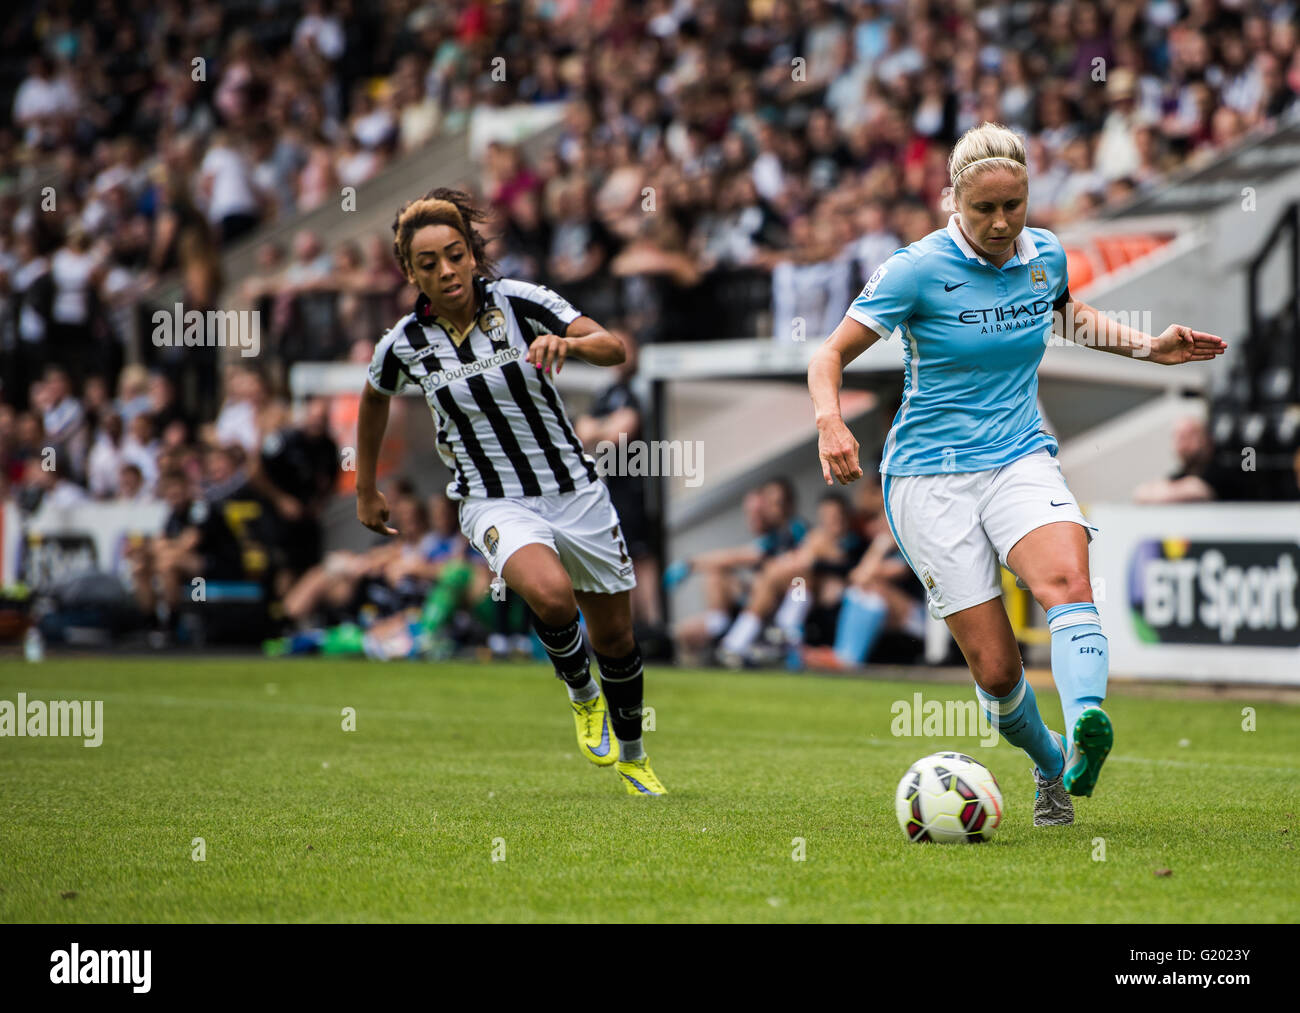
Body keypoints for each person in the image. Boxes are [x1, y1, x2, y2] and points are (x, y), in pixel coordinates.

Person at [808, 122, 1226, 828]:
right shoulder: (915, 268)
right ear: (953, 202)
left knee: (1066, 579)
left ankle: (1088, 719)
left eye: (1016, 205)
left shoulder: (1046, 253)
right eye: (985, 210)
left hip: (1020, 455)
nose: (1002, 223)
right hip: (929, 478)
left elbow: (1065, 314)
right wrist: (829, 419)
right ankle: (1048, 759)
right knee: (998, 673)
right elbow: (828, 355)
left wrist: (1151, 349)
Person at [355, 187, 665, 796]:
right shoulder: (404, 344)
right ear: (409, 273)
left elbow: (614, 347)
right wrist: (366, 487)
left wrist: (568, 345)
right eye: (428, 263)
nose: (445, 270)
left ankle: (633, 755)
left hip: (575, 490)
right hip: (491, 498)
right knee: (550, 598)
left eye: (454, 254)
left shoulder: (521, 301)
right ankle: (581, 694)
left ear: (472, 255)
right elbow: (373, 397)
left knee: (618, 640)